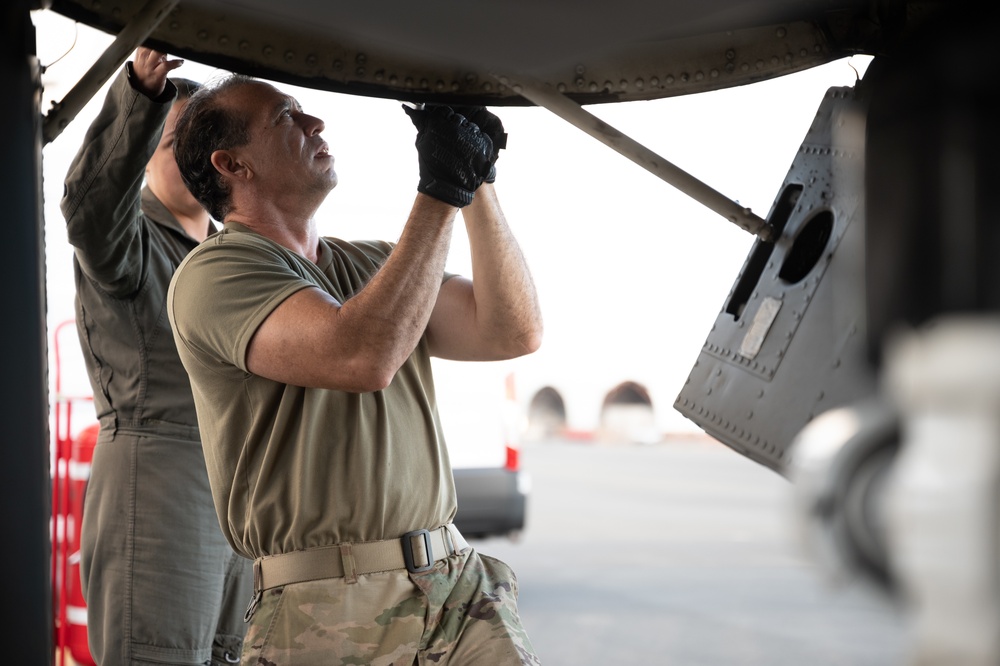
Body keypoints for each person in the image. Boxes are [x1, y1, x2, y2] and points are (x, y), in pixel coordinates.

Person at [166, 75, 544, 665]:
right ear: (231, 164)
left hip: (455, 585)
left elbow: (511, 330)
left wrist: (478, 178)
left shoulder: (374, 264)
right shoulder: (213, 276)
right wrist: (441, 188)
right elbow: (360, 355)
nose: (314, 124)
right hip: (330, 607)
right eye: (286, 117)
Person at [61, 48, 251, 665]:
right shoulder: (127, 241)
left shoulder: (234, 257)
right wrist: (141, 96)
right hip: (161, 483)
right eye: (171, 143)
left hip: (235, 494)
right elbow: (91, 208)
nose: (191, 161)